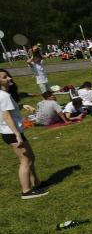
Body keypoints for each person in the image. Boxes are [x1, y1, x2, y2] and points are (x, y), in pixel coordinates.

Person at [1, 68, 48, 199]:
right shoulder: (3, 95)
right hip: (12, 133)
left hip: (12, 132)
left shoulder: (4, 94)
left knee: (30, 157)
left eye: (8, 76)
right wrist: (17, 134)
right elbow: (7, 116)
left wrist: (23, 106)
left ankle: (36, 183)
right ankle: (26, 191)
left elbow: (9, 110)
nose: (9, 78)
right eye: (5, 77)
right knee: (25, 160)